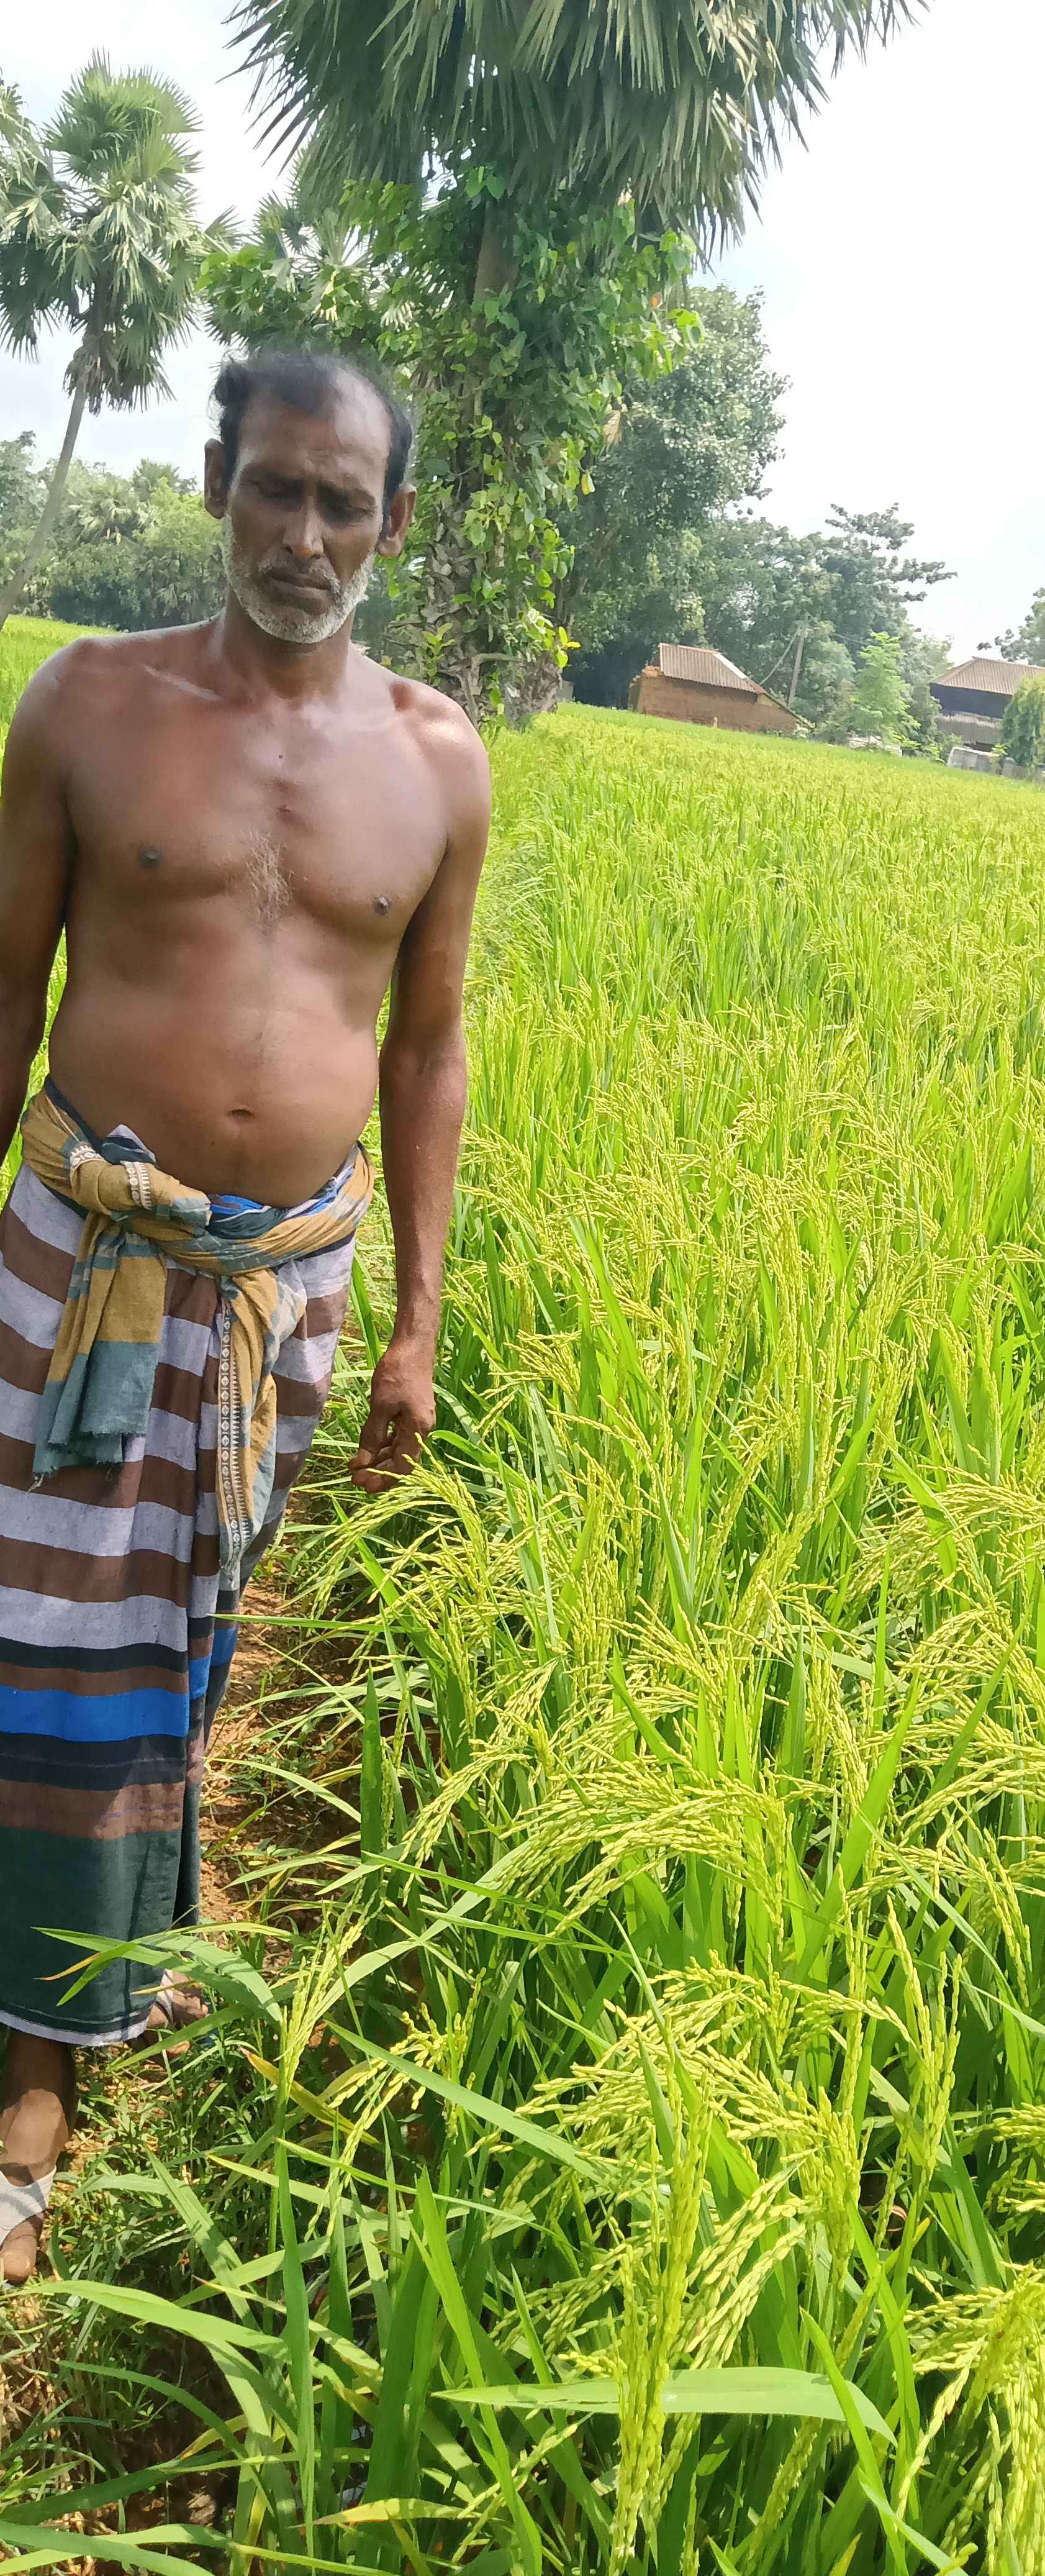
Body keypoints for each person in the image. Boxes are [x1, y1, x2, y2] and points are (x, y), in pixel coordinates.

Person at [0, 342, 491, 2282]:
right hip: (83, 1262)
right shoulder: (88, 708)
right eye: (274, 487)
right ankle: (37, 2068)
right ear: (216, 482)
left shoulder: (438, 765)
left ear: (391, 522)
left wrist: (417, 1324)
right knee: (54, 1648)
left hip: (288, 1294)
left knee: (183, 1643)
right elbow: (5, 984)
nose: (303, 534)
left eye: (341, 502)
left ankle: (106, 1930)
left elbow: (428, 1050)